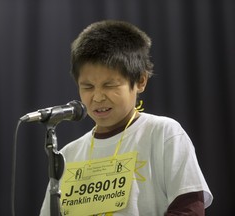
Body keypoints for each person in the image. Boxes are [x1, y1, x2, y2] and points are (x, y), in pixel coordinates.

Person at [39, 20, 213, 216]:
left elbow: (188, 209)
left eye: (110, 85)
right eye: (87, 87)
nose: (97, 97)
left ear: (140, 81)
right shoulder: (68, 155)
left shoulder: (163, 133)